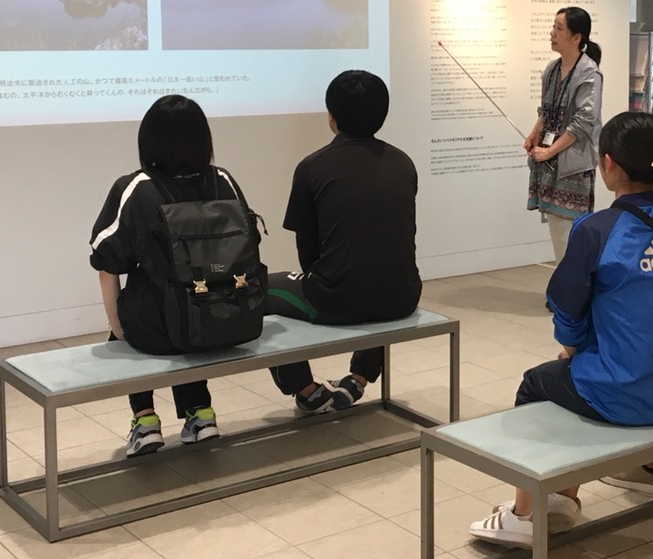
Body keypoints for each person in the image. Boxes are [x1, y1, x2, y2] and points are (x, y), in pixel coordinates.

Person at [469, 111, 653, 546]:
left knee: (537, 384)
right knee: (586, 371)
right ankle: (651, 470)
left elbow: (567, 307)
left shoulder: (597, 230)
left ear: (608, 165)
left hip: (628, 391)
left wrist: (573, 346)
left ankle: (531, 512)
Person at [90, 95, 260, 457]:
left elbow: (106, 264)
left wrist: (119, 329)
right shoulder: (223, 180)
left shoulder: (136, 188)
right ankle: (201, 414)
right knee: (193, 305)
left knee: (145, 314)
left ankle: (145, 421)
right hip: (229, 319)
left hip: (160, 330)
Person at [263, 70, 421, 413]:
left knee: (258, 290)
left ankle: (306, 390)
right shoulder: (403, 163)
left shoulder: (312, 167)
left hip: (334, 300)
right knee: (378, 276)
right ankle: (359, 379)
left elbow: (307, 250)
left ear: (331, 117)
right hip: (404, 296)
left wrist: (323, 282)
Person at [525, 6, 602, 260]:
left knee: (571, 231)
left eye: (559, 29)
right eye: (553, 27)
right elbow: (546, 110)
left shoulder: (589, 72)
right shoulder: (551, 69)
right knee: (557, 230)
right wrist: (534, 134)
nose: (552, 33)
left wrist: (550, 151)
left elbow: (584, 122)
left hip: (573, 165)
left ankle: (572, 281)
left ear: (576, 37)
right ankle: (564, 279)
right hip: (550, 162)